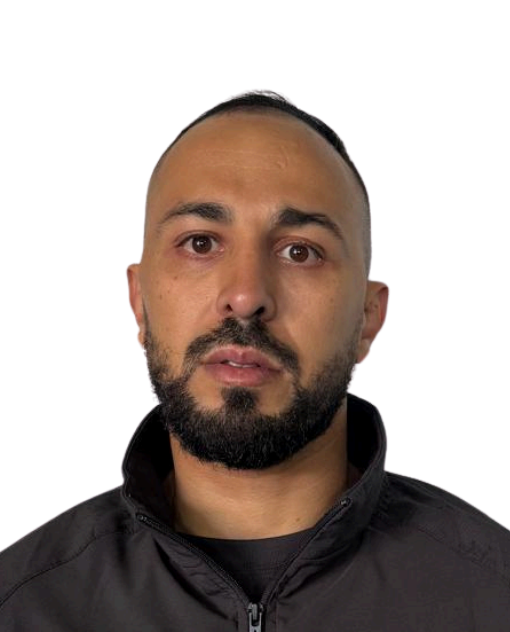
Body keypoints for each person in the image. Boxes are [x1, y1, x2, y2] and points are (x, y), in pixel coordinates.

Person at [1, 92, 509, 631]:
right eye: (200, 243)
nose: (245, 297)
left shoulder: (493, 597)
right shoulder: (22, 608)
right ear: (140, 302)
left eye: (300, 251)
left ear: (367, 316)